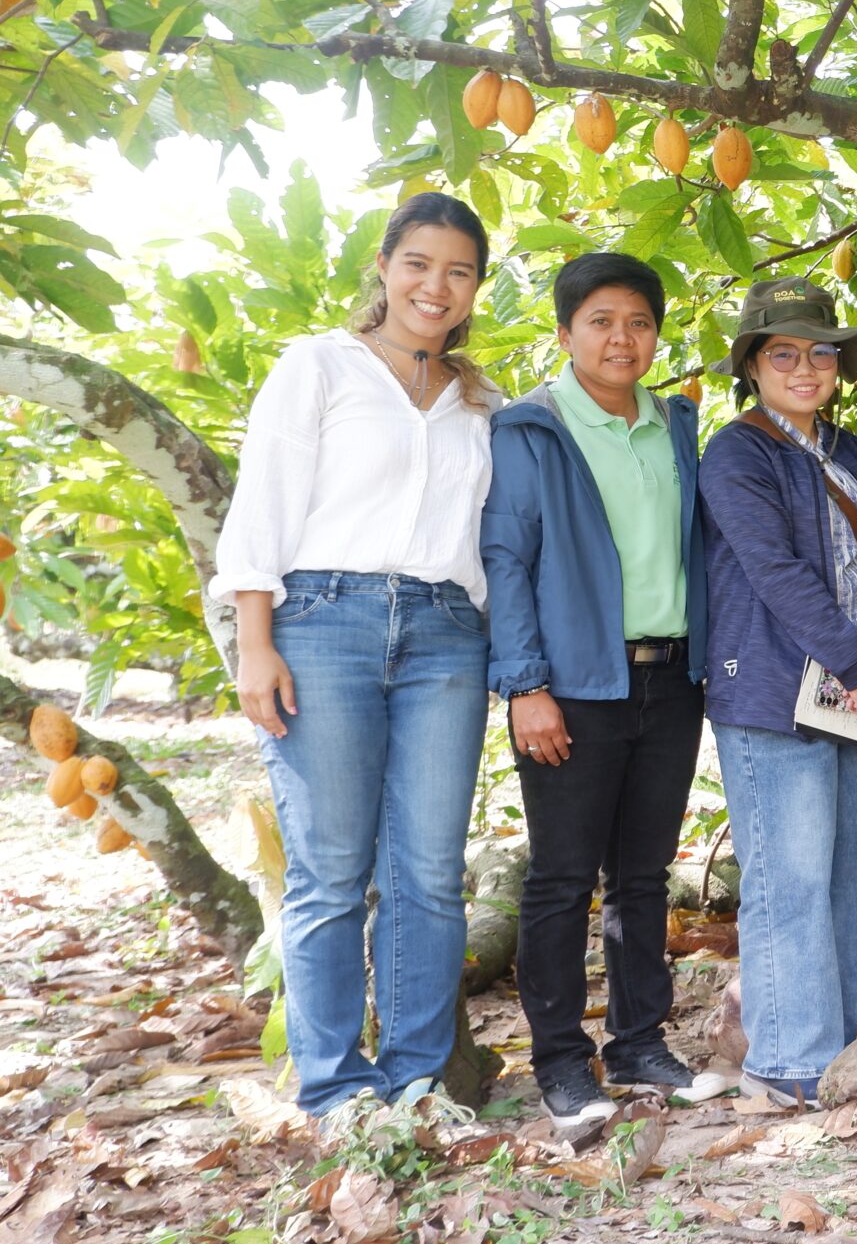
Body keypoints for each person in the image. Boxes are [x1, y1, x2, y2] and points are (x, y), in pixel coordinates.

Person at [211, 191, 501, 1123]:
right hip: (324, 620)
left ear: (474, 288)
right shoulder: (320, 366)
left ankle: (416, 1080)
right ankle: (335, 1086)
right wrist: (256, 642)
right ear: (384, 266)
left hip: (446, 631)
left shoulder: (476, 398)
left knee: (427, 868)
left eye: (458, 270)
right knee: (331, 870)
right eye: (419, 262)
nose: (435, 284)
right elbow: (263, 505)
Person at [482, 252, 709, 1136]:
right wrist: (525, 684)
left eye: (640, 322)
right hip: (572, 684)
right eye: (602, 320)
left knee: (643, 874)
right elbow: (506, 559)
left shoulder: (676, 423)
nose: (622, 338)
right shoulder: (531, 429)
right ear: (567, 329)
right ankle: (561, 1060)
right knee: (562, 876)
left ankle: (639, 1041)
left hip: (669, 675)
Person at [697, 277, 857, 1107]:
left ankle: (852, 1038)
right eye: (784, 353)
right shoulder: (737, 451)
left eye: (820, 351)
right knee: (790, 875)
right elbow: (774, 570)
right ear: (753, 364)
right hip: (775, 687)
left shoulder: (851, 452)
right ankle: (788, 1060)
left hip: (856, 683)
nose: (806, 367)